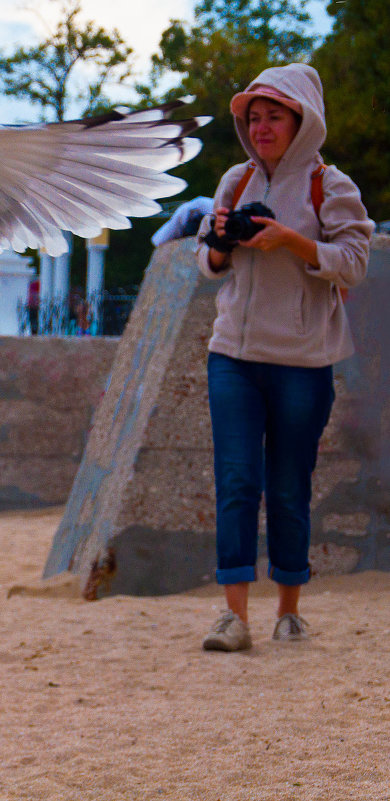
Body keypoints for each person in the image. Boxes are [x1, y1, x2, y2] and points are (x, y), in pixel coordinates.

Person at [196, 63, 374, 651]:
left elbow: (353, 260)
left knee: (290, 486)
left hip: (303, 359)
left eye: (275, 115)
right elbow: (208, 263)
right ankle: (234, 617)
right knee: (236, 480)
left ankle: (290, 611)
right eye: (254, 117)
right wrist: (220, 243)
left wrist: (290, 240)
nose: (262, 126)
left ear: (303, 120)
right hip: (233, 356)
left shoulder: (332, 185)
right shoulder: (234, 181)